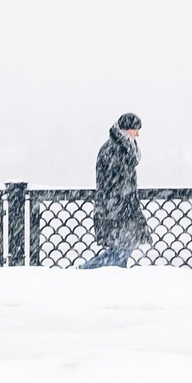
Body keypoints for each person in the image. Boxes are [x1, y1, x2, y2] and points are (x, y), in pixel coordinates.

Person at [81, 114, 147, 268]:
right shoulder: (114, 148)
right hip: (116, 208)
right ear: (127, 129)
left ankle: (103, 273)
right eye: (136, 130)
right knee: (121, 250)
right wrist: (122, 200)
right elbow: (114, 181)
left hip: (121, 208)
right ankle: (85, 270)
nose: (138, 134)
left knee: (122, 250)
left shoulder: (121, 147)